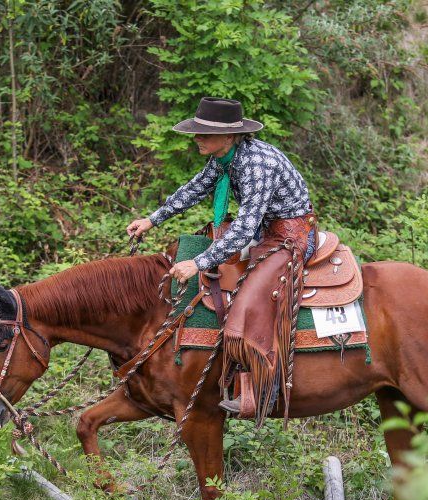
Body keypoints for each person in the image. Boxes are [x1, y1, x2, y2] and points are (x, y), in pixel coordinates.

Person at [127, 97, 318, 419]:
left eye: (205, 133)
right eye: (198, 131)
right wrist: (152, 219)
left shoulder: (258, 164)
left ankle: (265, 386)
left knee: (257, 296)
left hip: (289, 235)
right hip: (262, 230)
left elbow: (244, 227)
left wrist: (198, 263)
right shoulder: (223, 158)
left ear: (229, 136)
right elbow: (194, 189)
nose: (197, 138)